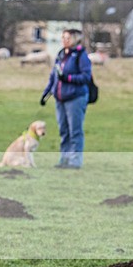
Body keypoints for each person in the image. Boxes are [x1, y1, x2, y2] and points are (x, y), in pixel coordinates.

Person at [40, 28, 92, 169]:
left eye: (67, 38)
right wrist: (46, 93)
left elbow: (86, 77)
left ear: (75, 39)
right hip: (60, 98)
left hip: (75, 97)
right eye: (63, 37)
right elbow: (54, 76)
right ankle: (64, 158)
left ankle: (75, 161)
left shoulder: (81, 56)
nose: (64, 40)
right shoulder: (61, 55)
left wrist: (68, 78)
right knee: (64, 130)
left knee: (75, 130)